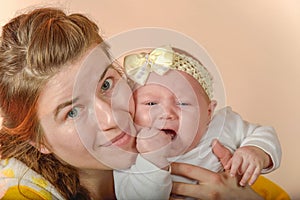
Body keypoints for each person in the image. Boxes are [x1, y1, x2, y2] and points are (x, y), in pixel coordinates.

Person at [0, 7, 273, 200]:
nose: (112, 118)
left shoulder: (191, 147)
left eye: (106, 84)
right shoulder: (21, 194)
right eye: (72, 111)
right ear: (39, 141)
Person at [113, 46, 282, 199]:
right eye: (151, 104)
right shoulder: (129, 154)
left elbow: (264, 133)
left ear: (208, 112)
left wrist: (255, 151)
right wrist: (152, 160)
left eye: (183, 103)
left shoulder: (222, 126)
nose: (167, 114)